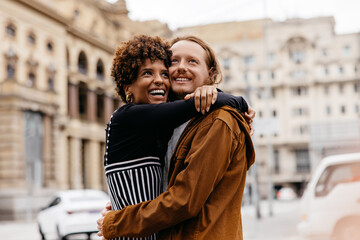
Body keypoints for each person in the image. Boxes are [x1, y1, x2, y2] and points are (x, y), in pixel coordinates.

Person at [98, 35, 255, 240]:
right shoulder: (152, 121)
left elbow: (185, 200)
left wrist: (117, 221)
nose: (181, 67)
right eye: (174, 61)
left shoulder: (218, 121)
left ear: (210, 74)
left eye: (192, 61)